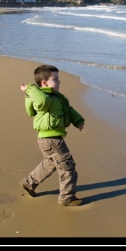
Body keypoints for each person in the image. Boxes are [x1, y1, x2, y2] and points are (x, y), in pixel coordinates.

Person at [19, 65, 85, 206]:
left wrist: (78, 121)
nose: (59, 82)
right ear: (44, 83)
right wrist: (30, 88)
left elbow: (68, 110)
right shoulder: (43, 99)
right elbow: (42, 101)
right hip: (51, 140)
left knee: (50, 163)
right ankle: (67, 197)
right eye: (55, 79)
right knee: (68, 166)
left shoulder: (57, 98)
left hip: (49, 139)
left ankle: (28, 183)